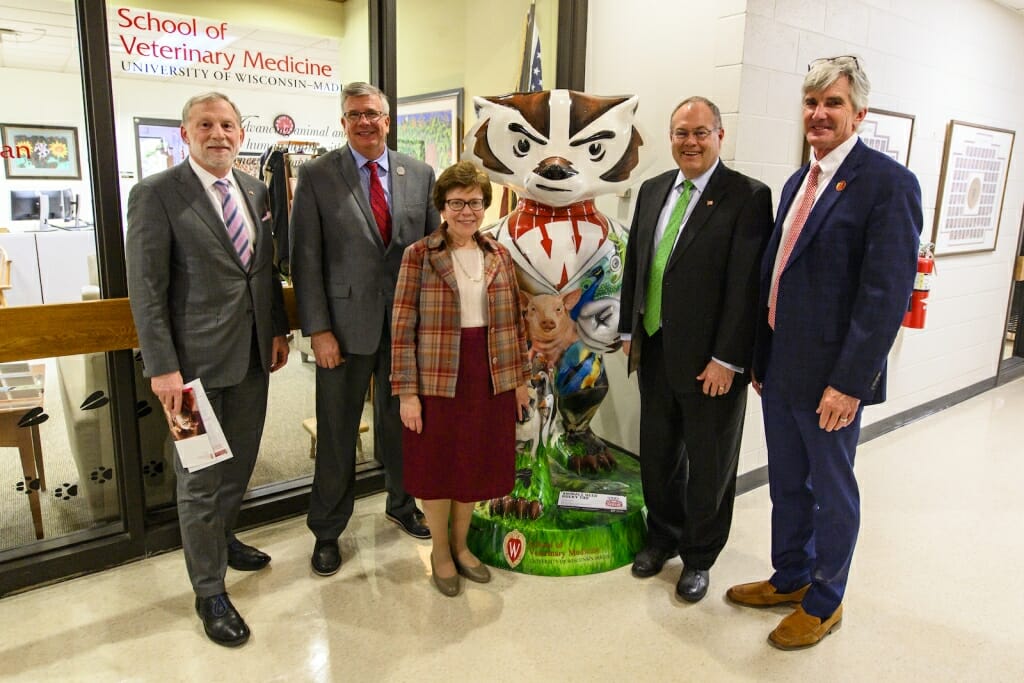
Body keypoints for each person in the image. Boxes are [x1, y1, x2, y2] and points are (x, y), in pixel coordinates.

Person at [727, 56, 922, 649]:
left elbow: (884, 295)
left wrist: (851, 383)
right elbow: (777, 274)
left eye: (832, 103)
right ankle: (790, 576)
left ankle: (826, 599)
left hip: (834, 378)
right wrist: (763, 355)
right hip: (783, 366)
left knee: (832, 490)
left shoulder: (887, 184)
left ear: (858, 113)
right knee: (787, 482)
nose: (819, 113)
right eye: (811, 103)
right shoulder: (798, 181)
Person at [126, 92, 290, 647]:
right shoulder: (156, 195)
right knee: (199, 478)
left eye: (227, 125)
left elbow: (260, 273)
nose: (217, 133)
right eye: (205, 124)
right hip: (188, 373)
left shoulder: (255, 189)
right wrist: (162, 368)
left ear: (240, 135)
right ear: (185, 133)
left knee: (239, 465)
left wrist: (273, 330)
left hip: (249, 359)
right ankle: (209, 589)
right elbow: (146, 292)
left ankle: (222, 539)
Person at [619, 96, 773, 602]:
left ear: (720, 136)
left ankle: (699, 556)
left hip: (712, 362)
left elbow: (746, 286)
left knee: (709, 463)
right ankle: (661, 536)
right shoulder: (652, 190)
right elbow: (639, 265)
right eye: (681, 132)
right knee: (658, 453)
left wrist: (728, 359)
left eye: (701, 132)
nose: (690, 142)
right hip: (657, 348)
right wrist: (629, 332)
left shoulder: (747, 196)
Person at [290, 82, 440, 577]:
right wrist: (318, 331)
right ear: (343, 122)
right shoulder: (316, 175)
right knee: (336, 432)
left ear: (387, 120)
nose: (365, 122)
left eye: (373, 114)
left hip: (405, 331)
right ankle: (328, 530)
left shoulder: (418, 174)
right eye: (355, 114)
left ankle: (401, 504)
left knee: (403, 426)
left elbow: (433, 251)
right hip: (343, 333)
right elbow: (305, 259)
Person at [391, 161, 531, 596]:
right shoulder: (419, 255)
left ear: (485, 206)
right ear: (442, 207)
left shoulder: (499, 255)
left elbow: (512, 322)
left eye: (474, 202)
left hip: (488, 373)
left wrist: (520, 380)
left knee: (472, 463)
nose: (466, 211)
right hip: (437, 376)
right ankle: (439, 550)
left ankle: (461, 544)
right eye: (457, 202)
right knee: (437, 466)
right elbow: (401, 326)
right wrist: (407, 392)